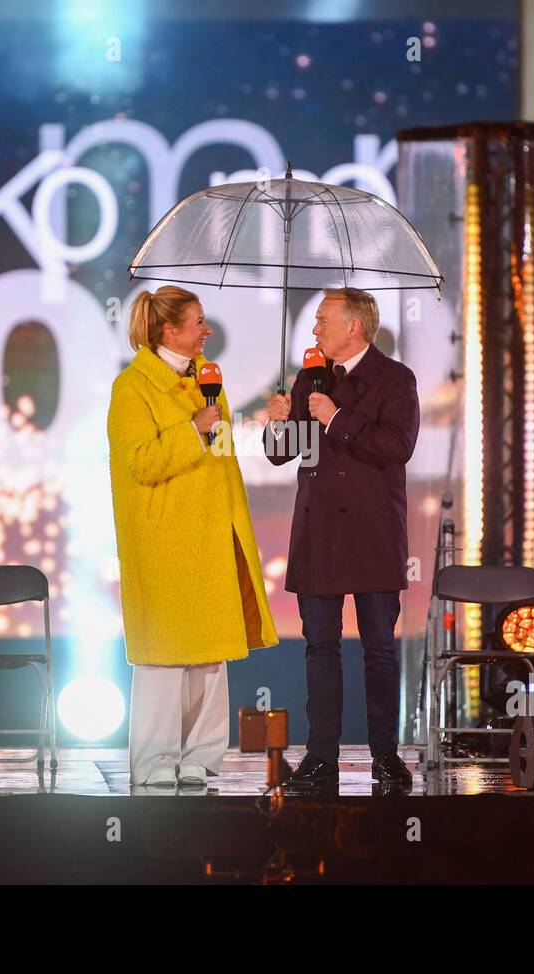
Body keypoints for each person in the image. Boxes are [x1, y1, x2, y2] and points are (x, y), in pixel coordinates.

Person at [108, 284, 278, 788]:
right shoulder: (131, 388)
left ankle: (203, 756)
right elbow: (141, 462)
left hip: (210, 533)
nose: (207, 329)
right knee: (164, 655)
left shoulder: (210, 383)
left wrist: (264, 423)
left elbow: (221, 452)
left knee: (210, 653)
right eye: (199, 321)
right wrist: (193, 430)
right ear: (169, 330)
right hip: (163, 540)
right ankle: (156, 758)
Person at [264, 287, 420, 793]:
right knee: (319, 648)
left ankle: (385, 756)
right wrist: (279, 424)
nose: (314, 329)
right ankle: (320, 757)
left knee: (379, 649)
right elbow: (281, 456)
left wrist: (336, 417)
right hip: (319, 535)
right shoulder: (309, 377)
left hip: (373, 534)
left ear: (354, 326)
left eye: (323, 319)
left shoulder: (395, 379)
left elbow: (397, 446)